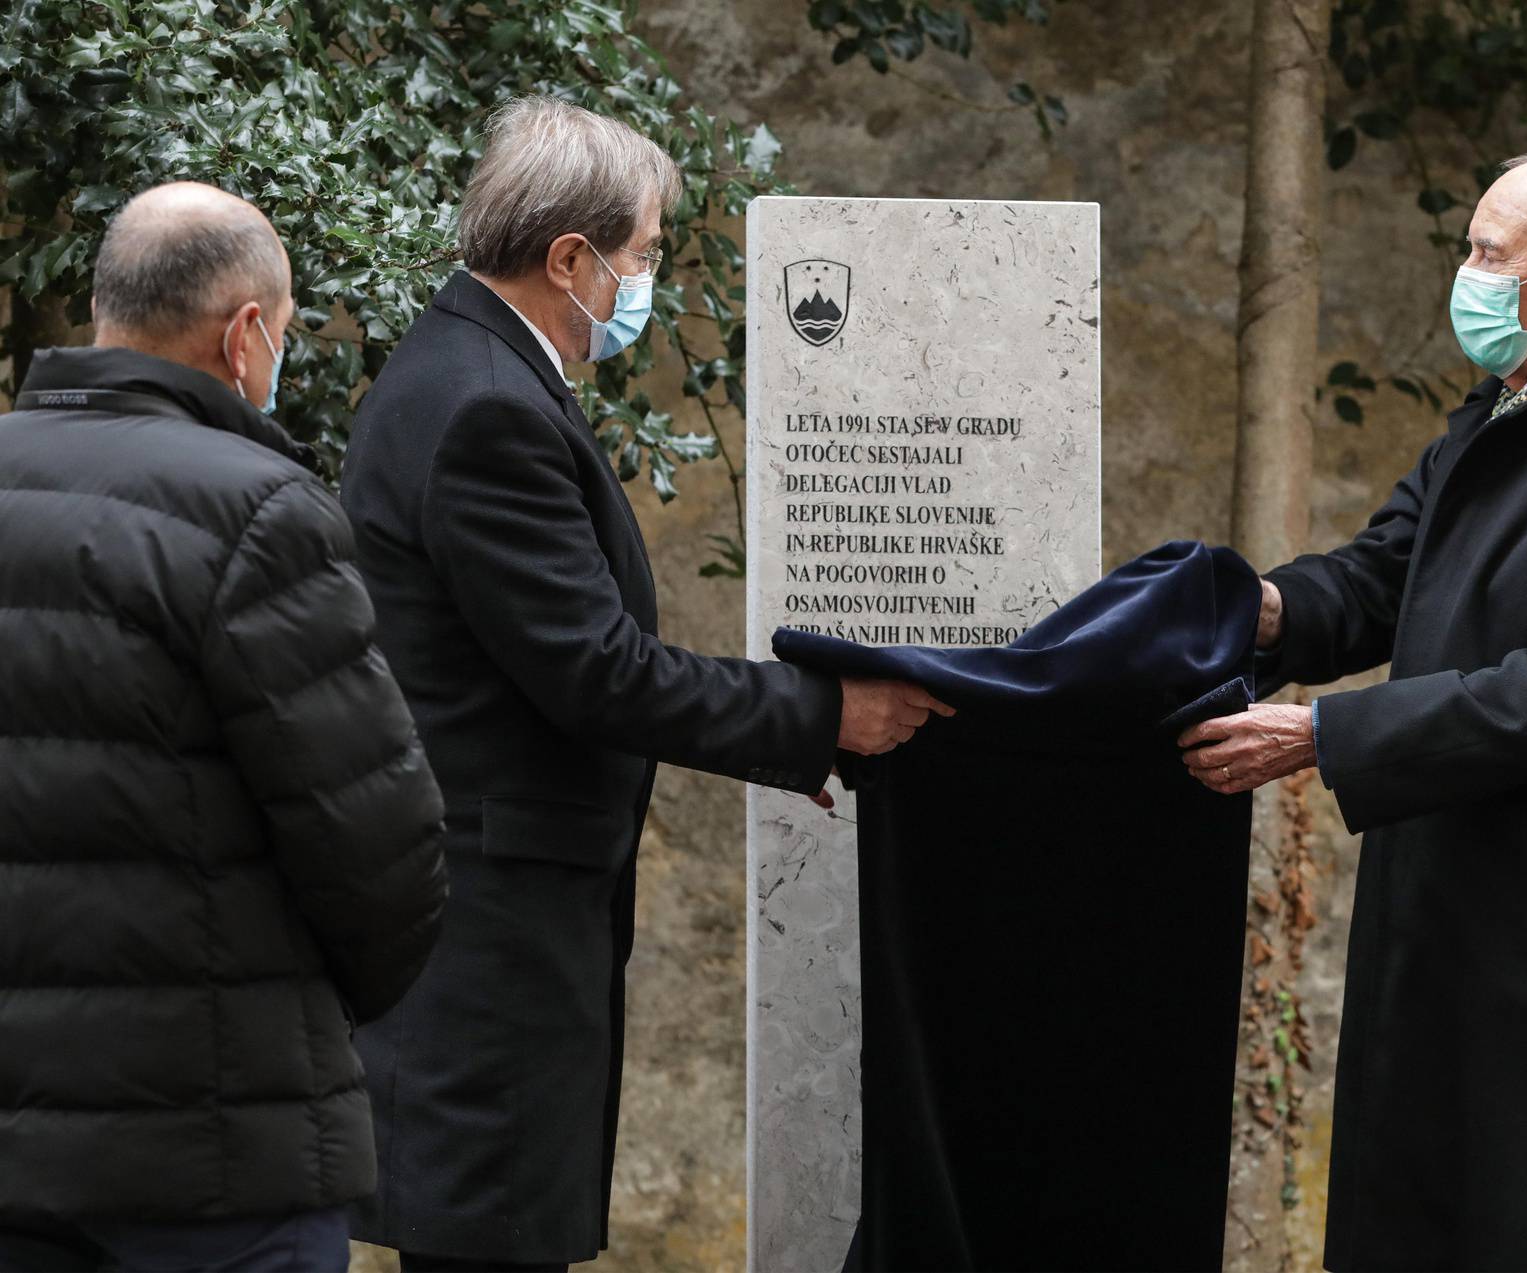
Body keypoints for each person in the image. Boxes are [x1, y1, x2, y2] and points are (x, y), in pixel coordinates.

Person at [339, 96, 951, 1272]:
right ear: (569, 257)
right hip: (493, 931)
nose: (642, 283)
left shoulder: (468, 373)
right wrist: (826, 717)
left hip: (499, 911)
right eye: (643, 254)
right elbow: (597, 671)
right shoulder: (481, 408)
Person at [1179, 148, 1527, 1271]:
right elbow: (1391, 572)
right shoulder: (1511, 400)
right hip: (1459, 892)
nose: (1467, 274)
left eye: (1489, 253)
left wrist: (1322, 735)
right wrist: (1257, 610)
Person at [0, 183, 448, 1273]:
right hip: (217, 1148)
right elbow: (380, 849)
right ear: (248, 332)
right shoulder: (257, 509)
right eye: (286, 333)